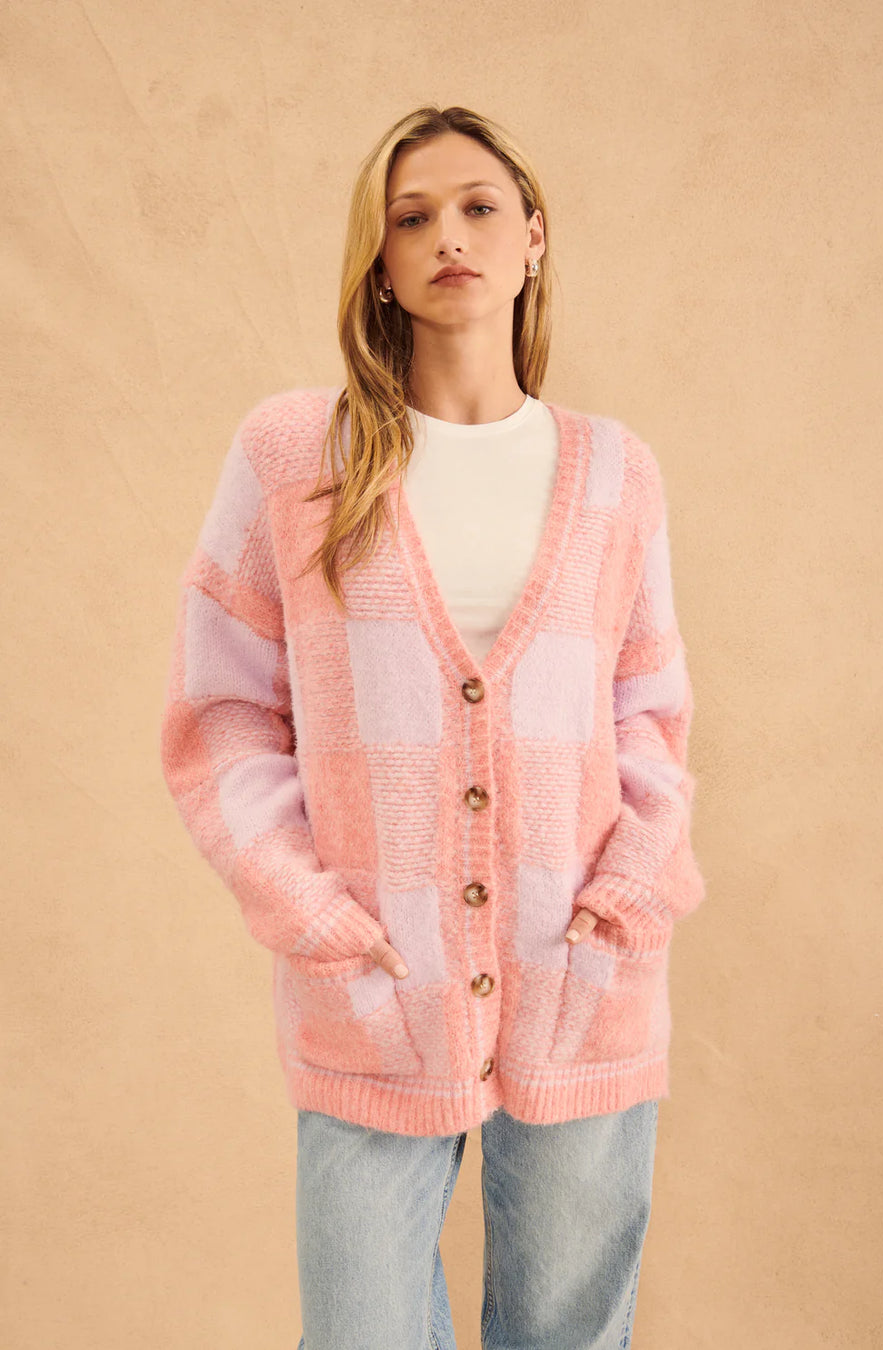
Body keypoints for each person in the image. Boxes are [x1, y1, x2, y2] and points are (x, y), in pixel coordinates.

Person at [159, 103, 706, 1350]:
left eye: (478, 207)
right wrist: (302, 902)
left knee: (570, 1333)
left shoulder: (616, 471)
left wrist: (632, 884)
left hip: (585, 977)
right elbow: (222, 708)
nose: (448, 236)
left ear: (534, 238)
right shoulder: (298, 455)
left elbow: (651, 713)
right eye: (411, 218)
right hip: (370, 985)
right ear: (381, 261)